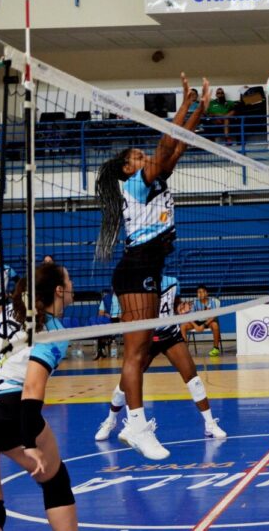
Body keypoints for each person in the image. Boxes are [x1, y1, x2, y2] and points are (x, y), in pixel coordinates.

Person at [94, 72, 210, 460]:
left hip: (148, 266)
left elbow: (178, 146)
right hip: (137, 266)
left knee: (140, 354)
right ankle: (135, 424)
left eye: (141, 157)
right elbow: (165, 144)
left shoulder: (155, 179)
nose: (142, 158)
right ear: (126, 170)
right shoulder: (135, 184)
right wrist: (183, 105)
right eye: (135, 159)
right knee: (136, 353)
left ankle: (131, 421)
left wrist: (199, 109)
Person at [0, 262, 77, 531]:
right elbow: (32, 390)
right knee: (55, 481)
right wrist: (29, 442)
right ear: (59, 291)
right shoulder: (54, 331)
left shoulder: (11, 310)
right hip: (9, 410)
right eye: (68, 282)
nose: (72, 286)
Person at [94, 275, 227, 442]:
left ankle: (209, 424)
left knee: (193, 377)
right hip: (145, 337)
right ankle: (111, 420)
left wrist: (181, 308)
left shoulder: (172, 282)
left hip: (169, 335)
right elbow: (122, 316)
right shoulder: (135, 284)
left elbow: (175, 303)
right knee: (127, 380)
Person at [180, 285, 222, 356]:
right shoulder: (194, 303)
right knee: (183, 326)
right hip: (197, 321)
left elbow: (213, 316)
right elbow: (189, 316)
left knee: (215, 325)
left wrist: (204, 325)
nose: (200, 294)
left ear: (206, 293)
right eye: (198, 292)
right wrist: (196, 326)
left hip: (209, 321)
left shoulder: (214, 301)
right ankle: (185, 350)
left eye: (202, 292)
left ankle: (216, 348)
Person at [94, 288, 121, 361]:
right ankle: (101, 350)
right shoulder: (106, 298)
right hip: (109, 320)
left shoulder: (124, 297)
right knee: (100, 324)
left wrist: (121, 315)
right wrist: (106, 314)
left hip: (121, 321)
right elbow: (100, 312)